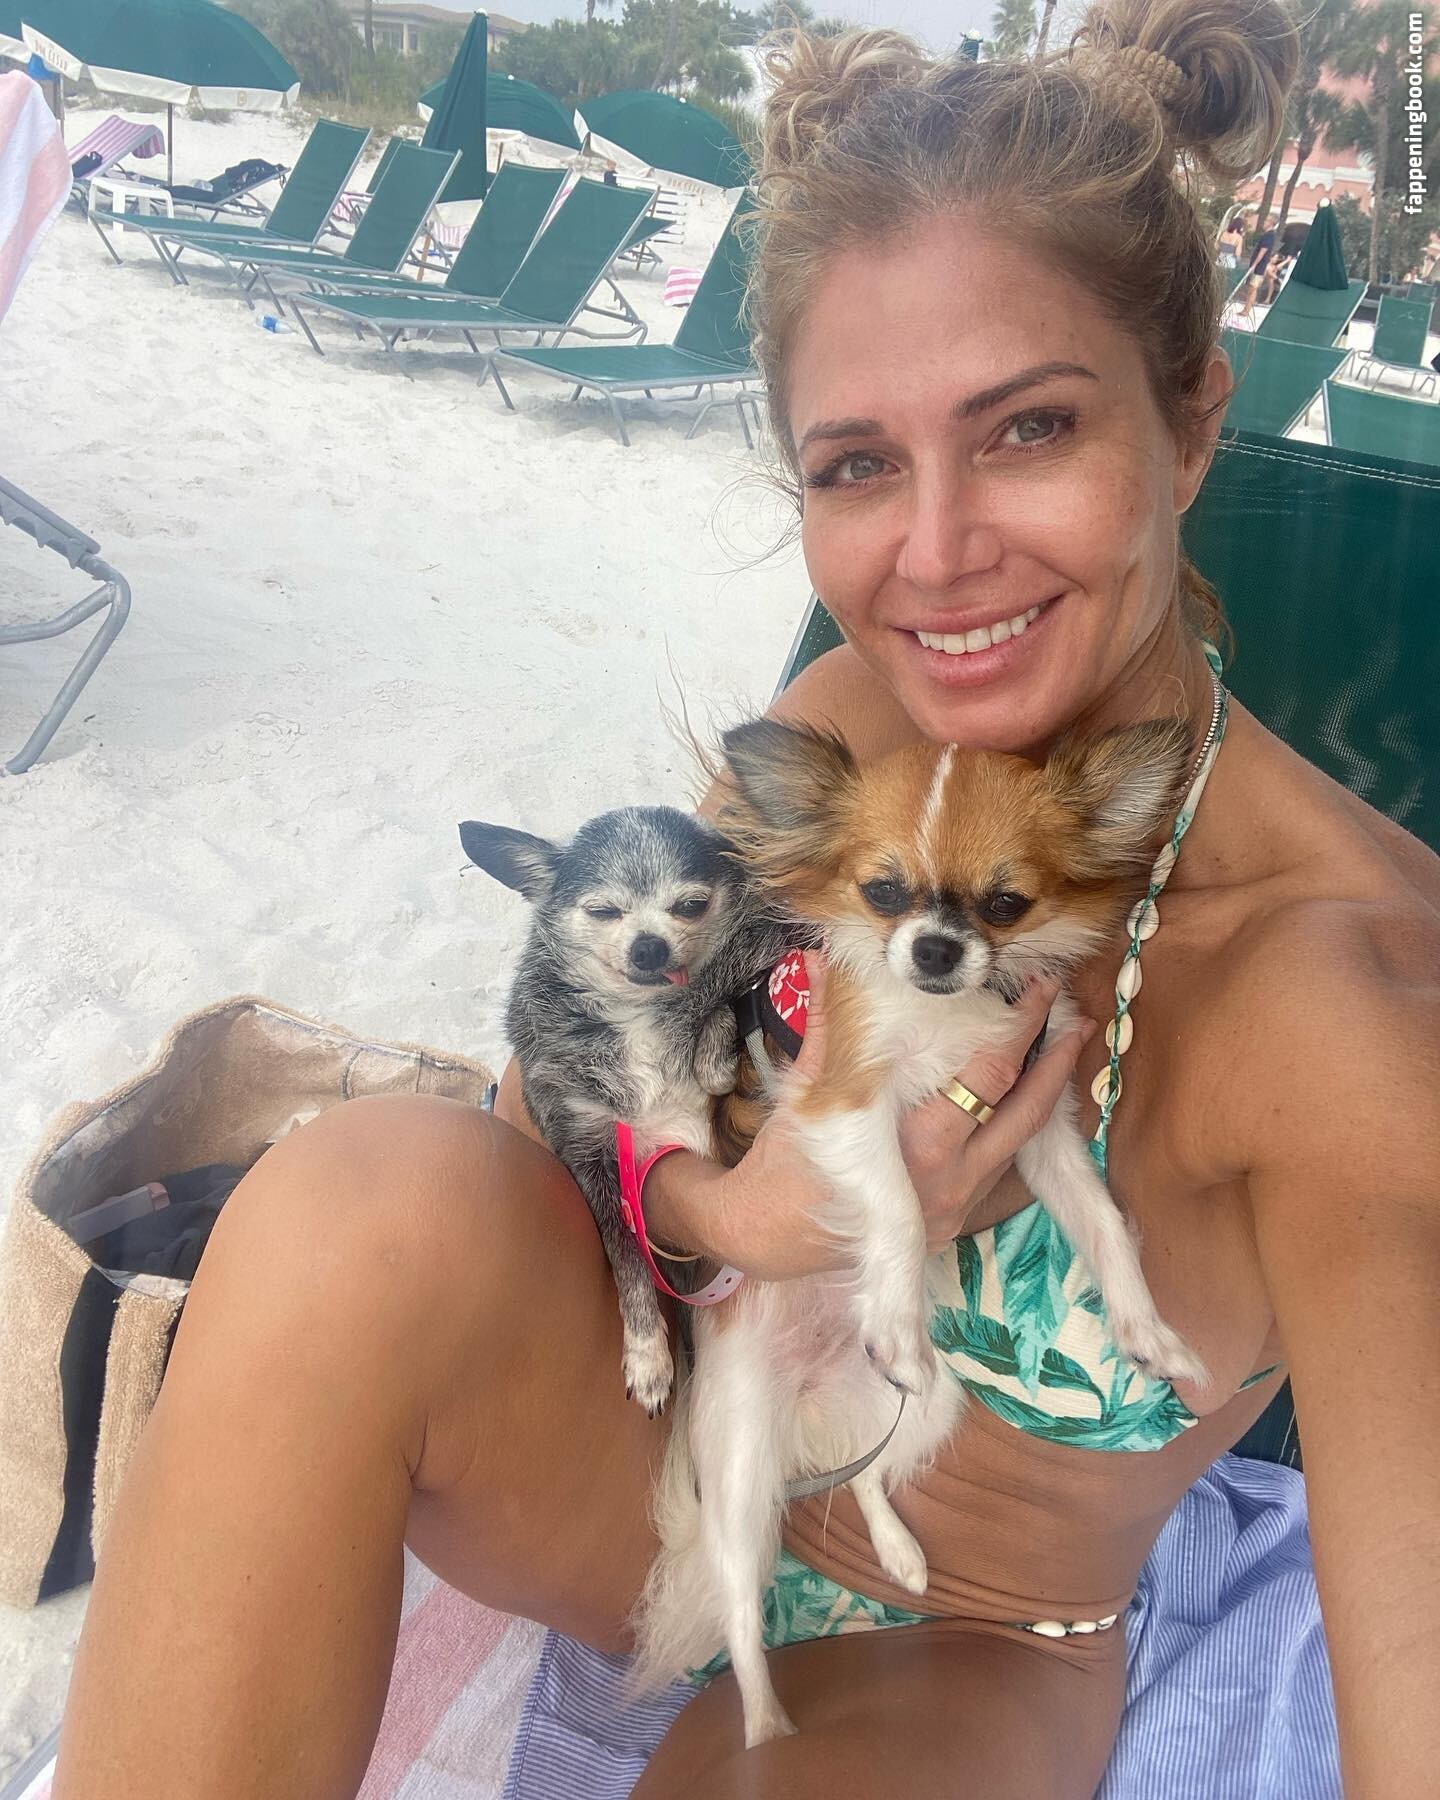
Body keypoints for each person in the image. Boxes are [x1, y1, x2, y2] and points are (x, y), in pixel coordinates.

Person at [52, 4, 1440, 1797]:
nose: (935, 554)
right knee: (352, 1199)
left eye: (1027, 428)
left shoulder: (1355, 1004)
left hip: (958, 1624)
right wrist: (736, 1211)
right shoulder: (853, 736)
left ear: (1191, 426)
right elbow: (543, 1097)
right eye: (857, 463)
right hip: (643, 1453)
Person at [1237, 209, 1278, 318]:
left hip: (1259, 266)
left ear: (1271, 222)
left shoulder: (1269, 235)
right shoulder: (1268, 235)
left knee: (1253, 288)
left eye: (1266, 220)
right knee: (1251, 287)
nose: (1264, 222)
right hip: (1259, 265)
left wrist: (1254, 264)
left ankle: (1246, 310)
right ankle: (1246, 309)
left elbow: (1263, 251)